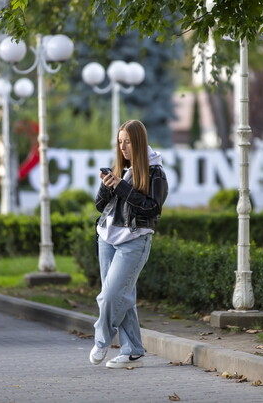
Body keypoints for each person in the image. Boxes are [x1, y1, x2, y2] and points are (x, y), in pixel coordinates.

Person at [89, 120, 168, 369]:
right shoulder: (121, 168)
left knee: (111, 296)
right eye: (120, 142)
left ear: (139, 142)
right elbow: (100, 206)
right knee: (123, 296)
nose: (123, 147)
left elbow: (152, 209)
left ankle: (102, 340)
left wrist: (122, 187)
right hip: (107, 238)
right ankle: (132, 350)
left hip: (134, 240)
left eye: (128, 142)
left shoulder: (155, 173)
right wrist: (107, 185)